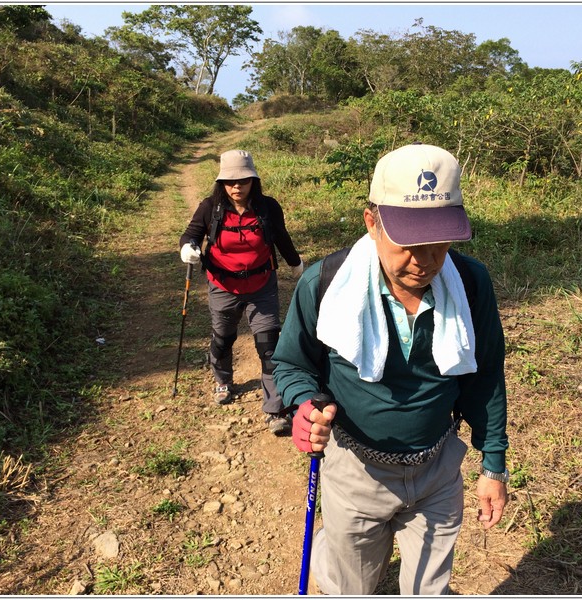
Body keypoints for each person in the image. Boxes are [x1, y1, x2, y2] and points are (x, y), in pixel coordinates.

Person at [272, 143, 509, 594]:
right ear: (371, 222)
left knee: (428, 590)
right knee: (350, 586)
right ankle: (336, 547)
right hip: (355, 468)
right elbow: (290, 362)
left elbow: (485, 379)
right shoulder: (326, 284)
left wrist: (493, 466)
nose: (425, 260)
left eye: (439, 241)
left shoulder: (471, 284)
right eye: (408, 242)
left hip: (437, 469)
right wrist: (306, 404)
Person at [179, 149, 303, 435]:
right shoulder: (210, 207)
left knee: (269, 346)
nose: (237, 187)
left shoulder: (268, 207)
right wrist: (189, 248)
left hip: (262, 285)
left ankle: (276, 410)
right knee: (223, 338)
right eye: (230, 181)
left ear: (253, 181)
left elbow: (281, 237)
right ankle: (223, 380)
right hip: (223, 285)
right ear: (221, 182)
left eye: (243, 181)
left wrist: (297, 266)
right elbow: (191, 235)